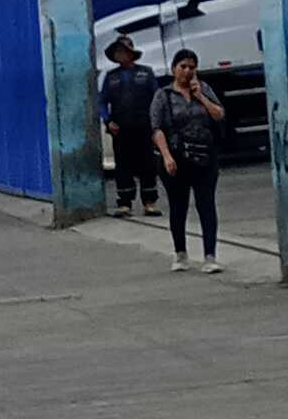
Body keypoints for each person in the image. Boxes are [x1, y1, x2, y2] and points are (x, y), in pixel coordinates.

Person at [152, 48, 225, 268]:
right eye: (182, 66)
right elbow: (156, 128)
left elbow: (219, 114)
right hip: (176, 157)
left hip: (204, 156)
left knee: (206, 204)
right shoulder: (163, 95)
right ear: (174, 68)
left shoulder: (204, 89)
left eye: (191, 67)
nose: (187, 71)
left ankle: (210, 256)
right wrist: (166, 156)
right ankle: (180, 253)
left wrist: (200, 96)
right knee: (178, 206)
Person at [96, 35, 160, 216]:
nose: (120, 55)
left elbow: (157, 99)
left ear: (131, 53)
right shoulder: (111, 77)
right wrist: (108, 121)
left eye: (123, 51)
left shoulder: (146, 73)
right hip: (120, 129)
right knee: (123, 166)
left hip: (144, 127)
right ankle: (125, 203)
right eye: (117, 52)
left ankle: (149, 202)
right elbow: (102, 102)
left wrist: (156, 122)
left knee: (148, 165)